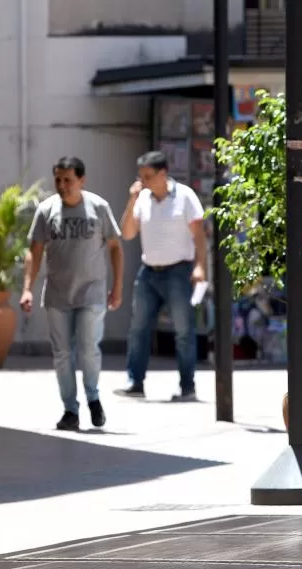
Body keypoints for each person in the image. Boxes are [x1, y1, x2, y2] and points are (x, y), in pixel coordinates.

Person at [20, 156, 123, 430]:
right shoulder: (46, 210)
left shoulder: (98, 207)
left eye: (68, 180)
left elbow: (115, 247)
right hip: (57, 295)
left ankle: (93, 398)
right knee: (62, 354)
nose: (62, 185)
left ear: (81, 180)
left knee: (89, 349)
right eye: (58, 179)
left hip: (92, 292)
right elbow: (34, 252)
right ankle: (70, 410)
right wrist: (27, 289)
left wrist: (117, 287)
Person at [117, 150, 207, 402]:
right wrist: (132, 200)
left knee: (184, 331)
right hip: (148, 272)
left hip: (178, 271)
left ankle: (187, 387)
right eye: (141, 176)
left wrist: (200, 266)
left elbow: (199, 236)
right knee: (138, 329)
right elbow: (127, 233)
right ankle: (135, 382)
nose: (143, 181)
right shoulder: (142, 199)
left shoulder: (185, 196)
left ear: (163, 174)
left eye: (148, 176)